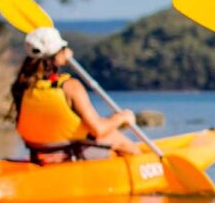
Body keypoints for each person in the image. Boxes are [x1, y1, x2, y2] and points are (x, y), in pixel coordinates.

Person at [11, 26, 140, 164]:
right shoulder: (70, 86)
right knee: (119, 140)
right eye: (63, 48)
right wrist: (121, 118)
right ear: (58, 53)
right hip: (73, 151)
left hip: (40, 152)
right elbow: (98, 130)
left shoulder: (22, 87)